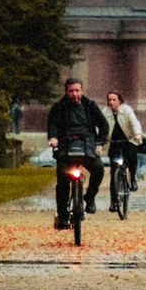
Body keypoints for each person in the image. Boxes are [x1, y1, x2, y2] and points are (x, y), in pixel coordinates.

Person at [45, 78, 108, 223]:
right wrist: (53, 138)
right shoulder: (58, 107)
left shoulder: (91, 106)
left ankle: (89, 197)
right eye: (71, 91)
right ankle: (62, 216)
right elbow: (52, 124)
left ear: (82, 90)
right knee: (62, 182)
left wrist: (99, 143)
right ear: (66, 91)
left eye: (77, 90)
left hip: (87, 145)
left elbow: (103, 125)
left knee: (98, 169)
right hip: (66, 146)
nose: (74, 94)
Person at [104, 89, 146, 192]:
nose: (111, 102)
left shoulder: (126, 110)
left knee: (132, 156)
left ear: (119, 101)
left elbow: (134, 122)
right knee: (113, 170)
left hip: (128, 139)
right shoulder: (105, 112)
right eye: (109, 100)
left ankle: (132, 179)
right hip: (114, 141)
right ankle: (114, 200)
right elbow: (100, 126)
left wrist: (138, 134)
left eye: (114, 100)